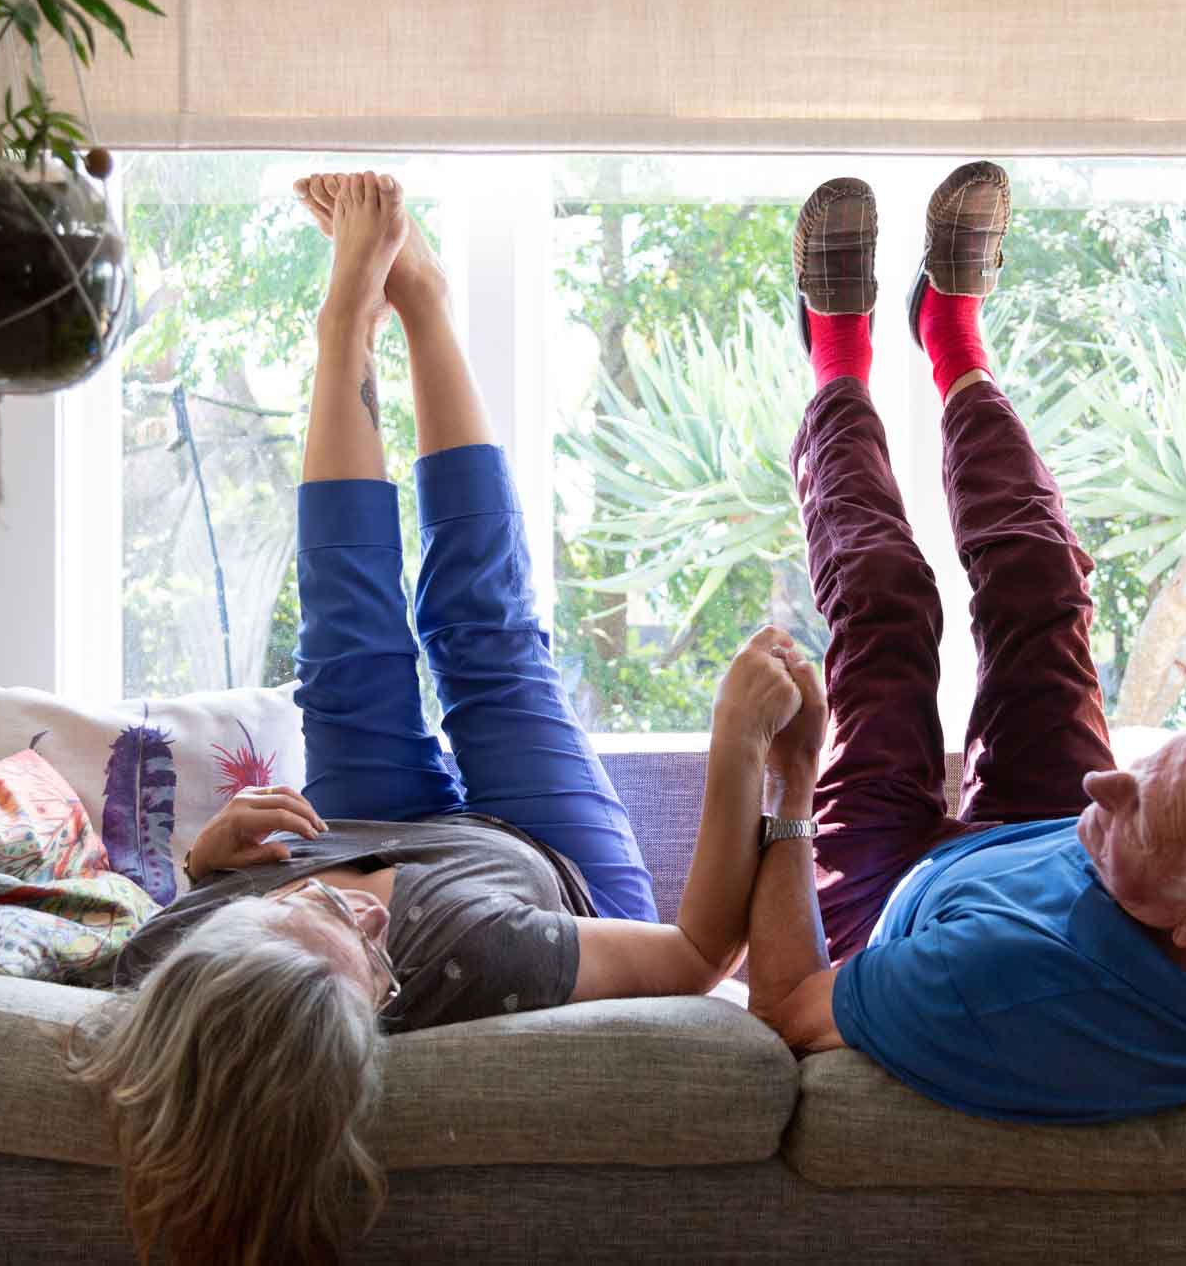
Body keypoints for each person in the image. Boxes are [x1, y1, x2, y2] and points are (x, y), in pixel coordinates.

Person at [71, 171, 807, 1265]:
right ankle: (418, 303)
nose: (372, 930)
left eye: (324, 922)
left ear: (234, 939)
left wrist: (202, 862)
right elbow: (702, 951)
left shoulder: (163, 964)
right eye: (372, 973)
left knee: (347, 638)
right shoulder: (462, 954)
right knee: (486, 632)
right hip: (537, 867)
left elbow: (111, 923)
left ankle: (344, 329)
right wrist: (738, 745)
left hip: (365, 828)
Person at [742, 163, 1186, 1124]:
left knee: (883, 608)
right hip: (1056, 859)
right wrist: (1138, 833)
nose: (1105, 782)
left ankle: (836, 361)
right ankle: (953, 341)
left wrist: (789, 787)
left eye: (1136, 810)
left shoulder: (1002, 984)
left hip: (900, 908)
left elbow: (785, 1013)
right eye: (1151, 768)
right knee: (1042, 585)